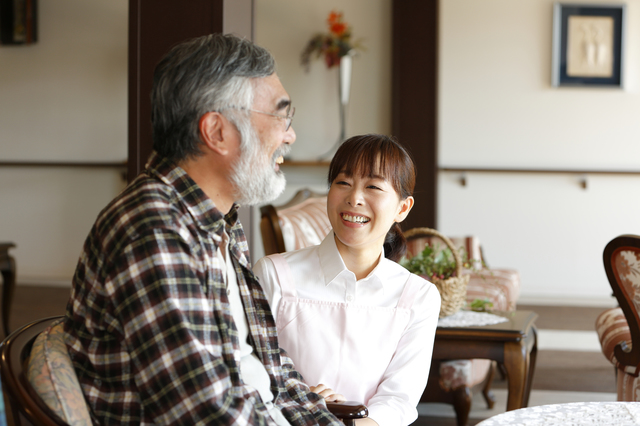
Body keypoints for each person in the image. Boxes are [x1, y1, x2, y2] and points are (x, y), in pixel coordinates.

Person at [63, 34, 343, 425]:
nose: (290, 134)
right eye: (281, 115)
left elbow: (272, 369)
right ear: (217, 132)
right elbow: (202, 413)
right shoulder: (152, 230)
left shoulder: (217, 221)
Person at [254, 134, 442, 426]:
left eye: (373, 187)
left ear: (402, 208)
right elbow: (252, 371)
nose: (354, 198)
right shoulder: (275, 274)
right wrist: (300, 401)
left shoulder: (417, 296)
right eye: (343, 183)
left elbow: (398, 399)